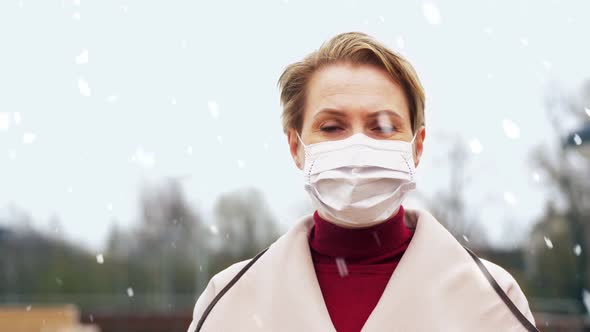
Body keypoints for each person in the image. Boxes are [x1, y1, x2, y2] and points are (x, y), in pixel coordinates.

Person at [187, 32, 537, 332]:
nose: (357, 146)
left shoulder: (491, 303)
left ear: (417, 146)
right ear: (296, 146)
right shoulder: (230, 303)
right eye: (332, 126)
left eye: (382, 127)